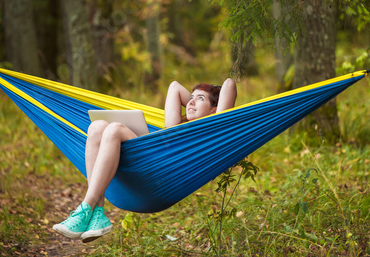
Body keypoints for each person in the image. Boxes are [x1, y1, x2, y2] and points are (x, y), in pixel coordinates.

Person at [52, 79, 236, 243]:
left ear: (214, 109)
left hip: (161, 176)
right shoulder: (175, 126)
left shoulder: (214, 131)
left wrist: (212, 96)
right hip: (149, 159)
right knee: (96, 127)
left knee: (114, 129)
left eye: (200, 98)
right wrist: (198, 100)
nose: (191, 102)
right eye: (190, 98)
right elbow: (174, 87)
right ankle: (97, 213)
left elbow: (229, 84)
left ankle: (85, 208)